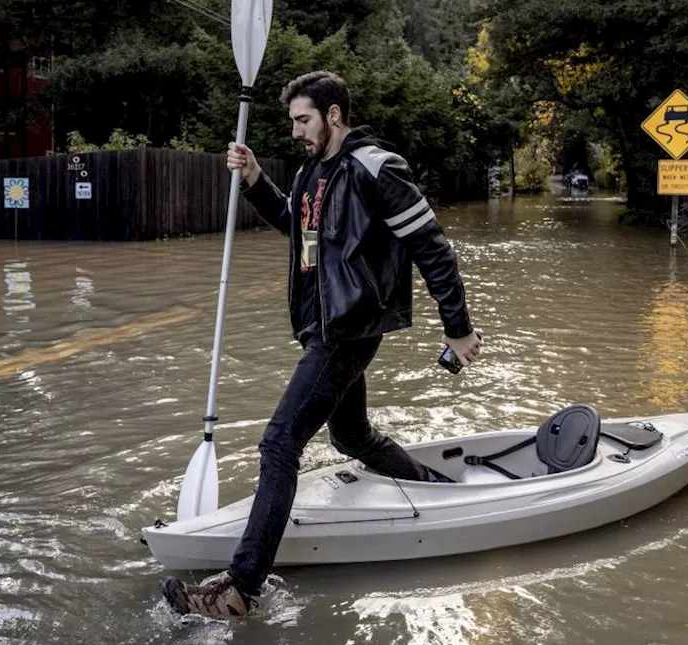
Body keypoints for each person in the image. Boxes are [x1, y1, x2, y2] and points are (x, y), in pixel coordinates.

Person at [161, 70, 482, 619]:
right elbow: (297, 227)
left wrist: (457, 326)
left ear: (334, 115)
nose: (295, 131)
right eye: (292, 122)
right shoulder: (313, 173)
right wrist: (257, 177)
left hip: (349, 330)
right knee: (353, 436)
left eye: (303, 119)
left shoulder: (377, 168)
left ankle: (240, 588)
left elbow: (433, 249)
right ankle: (435, 487)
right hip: (324, 327)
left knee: (279, 443)